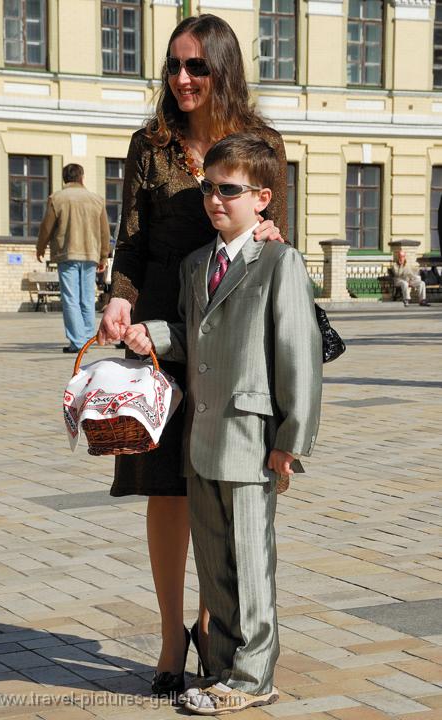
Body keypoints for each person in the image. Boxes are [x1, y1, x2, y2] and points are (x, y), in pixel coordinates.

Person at [97, 13, 288, 696]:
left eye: (194, 66)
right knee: (165, 490)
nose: (181, 78)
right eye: (173, 65)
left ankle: (214, 627)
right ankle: (169, 633)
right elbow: (132, 239)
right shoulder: (148, 145)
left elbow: (272, 235)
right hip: (156, 337)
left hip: (226, 334)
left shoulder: (260, 143)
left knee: (216, 487)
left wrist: (265, 227)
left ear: (221, 68)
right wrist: (118, 300)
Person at [122, 133, 322, 714]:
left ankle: (255, 678)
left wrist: (291, 440)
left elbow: (298, 354)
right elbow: (191, 336)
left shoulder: (280, 262)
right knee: (215, 561)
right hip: (202, 439)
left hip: (253, 437)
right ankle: (222, 668)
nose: (214, 199)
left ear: (262, 199)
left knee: (251, 562)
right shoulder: (195, 265)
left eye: (228, 190)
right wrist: (151, 333)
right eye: (208, 188)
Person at [37, 164, 110, 352]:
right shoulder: (96, 200)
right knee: (86, 298)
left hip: (67, 252)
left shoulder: (57, 198)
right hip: (90, 254)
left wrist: (40, 247)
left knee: (70, 298)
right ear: (82, 177)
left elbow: (47, 227)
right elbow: (104, 231)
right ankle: (86, 338)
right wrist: (103, 256)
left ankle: (77, 342)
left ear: (64, 178)